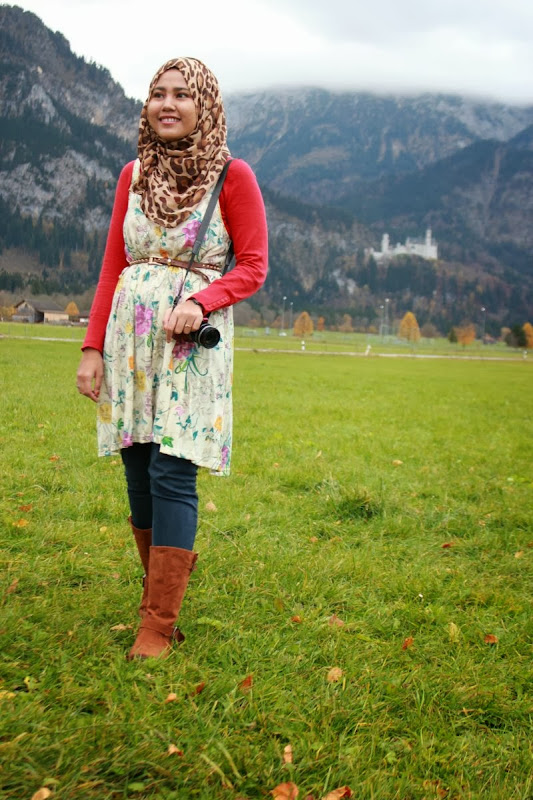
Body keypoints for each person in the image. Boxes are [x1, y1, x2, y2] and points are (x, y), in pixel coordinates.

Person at [76, 57, 268, 660]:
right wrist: (91, 347)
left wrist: (202, 301)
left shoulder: (232, 175)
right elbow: (113, 267)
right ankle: (156, 598)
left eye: (183, 94)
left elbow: (254, 266)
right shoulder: (132, 175)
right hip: (129, 341)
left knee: (172, 471)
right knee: (137, 469)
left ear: (203, 106)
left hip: (188, 346)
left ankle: (158, 626)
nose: (167, 103)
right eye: (158, 93)